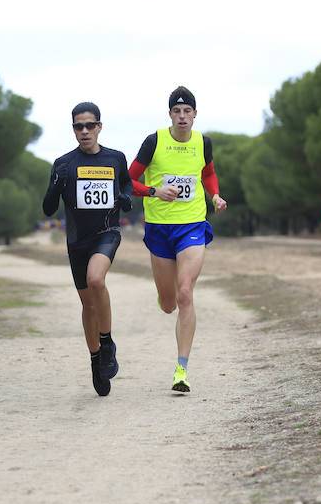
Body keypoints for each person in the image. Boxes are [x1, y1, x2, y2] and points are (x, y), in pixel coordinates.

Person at [128, 86, 227, 393]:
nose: (182, 116)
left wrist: (215, 195)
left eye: (188, 111)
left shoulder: (203, 142)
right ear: (169, 114)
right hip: (159, 228)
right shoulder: (154, 141)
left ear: (195, 114)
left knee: (185, 293)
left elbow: (207, 173)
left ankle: (181, 369)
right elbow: (127, 180)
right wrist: (154, 191)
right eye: (177, 111)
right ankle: (165, 296)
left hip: (192, 225)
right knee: (169, 303)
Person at [42, 102, 132, 397]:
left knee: (97, 280)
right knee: (87, 305)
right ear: (73, 129)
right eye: (78, 126)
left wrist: (126, 198)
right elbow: (47, 208)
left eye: (89, 125)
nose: (84, 131)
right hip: (77, 241)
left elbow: (127, 185)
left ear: (99, 127)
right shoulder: (64, 163)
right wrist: (56, 184)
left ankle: (106, 344)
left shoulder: (115, 158)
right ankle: (95, 359)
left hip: (107, 233)